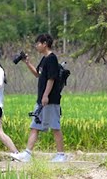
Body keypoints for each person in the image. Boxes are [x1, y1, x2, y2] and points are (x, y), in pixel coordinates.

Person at [10, 33, 67, 162]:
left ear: (45, 44)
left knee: (55, 126)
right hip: (42, 101)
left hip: (50, 100)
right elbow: (37, 74)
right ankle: (27, 154)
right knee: (35, 126)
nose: (36, 46)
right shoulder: (44, 59)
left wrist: (46, 95)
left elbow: (51, 78)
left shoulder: (52, 58)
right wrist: (27, 63)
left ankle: (61, 155)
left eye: (38, 43)